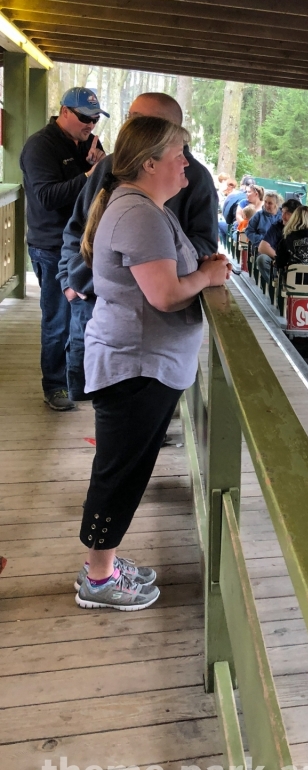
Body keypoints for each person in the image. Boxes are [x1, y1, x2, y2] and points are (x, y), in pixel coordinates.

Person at [75, 115, 230, 610]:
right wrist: (206, 279)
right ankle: (98, 580)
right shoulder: (139, 214)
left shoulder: (142, 207)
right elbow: (164, 294)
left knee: (127, 470)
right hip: (135, 366)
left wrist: (201, 269)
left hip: (142, 364)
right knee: (119, 474)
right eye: (178, 154)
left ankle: (104, 564)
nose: (186, 163)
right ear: (148, 164)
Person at [58, 93, 218, 402]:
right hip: (107, 312)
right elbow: (78, 226)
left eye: (139, 120)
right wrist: (69, 280)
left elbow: (203, 241)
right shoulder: (123, 185)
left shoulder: (194, 179)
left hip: (149, 336)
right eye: (130, 117)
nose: (127, 125)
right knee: (93, 390)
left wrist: (165, 259)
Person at [20, 87, 108, 411]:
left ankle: (77, 380)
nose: (91, 125)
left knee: (81, 315)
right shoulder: (39, 147)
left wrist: (100, 167)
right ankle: (54, 385)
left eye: (96, 119)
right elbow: (46, 196)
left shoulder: (88, 144)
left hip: (82, 246)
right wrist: (89, 175)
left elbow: (101, 187)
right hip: (50, 245)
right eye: (85, 118)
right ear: (65, 112)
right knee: (57, 317)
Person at [256, 197, 302, 287]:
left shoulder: (305, 229)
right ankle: (277, 288)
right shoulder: (277, 226)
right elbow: (262, 247)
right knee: (262, 259)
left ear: (296, 215)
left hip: (299, 265)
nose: (283, 216)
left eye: (287, 213)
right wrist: (281, 260)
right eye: (282, 212)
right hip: (278, 263)